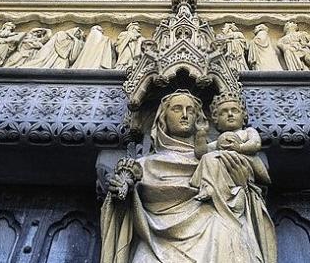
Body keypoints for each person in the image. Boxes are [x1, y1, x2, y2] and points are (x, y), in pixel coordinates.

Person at [101, 91, 276, 263]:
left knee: (229, 233)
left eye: (190, 110)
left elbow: (248, 196)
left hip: (214, 232)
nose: (184, 115)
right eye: (177, 109)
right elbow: (126, 213)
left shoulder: (217, 157)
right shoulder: (145, 165)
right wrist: (122, 193)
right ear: (163, 117)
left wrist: (244, 186)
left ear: (198, 118)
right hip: (154, 243)